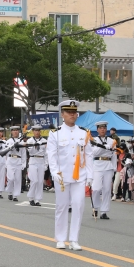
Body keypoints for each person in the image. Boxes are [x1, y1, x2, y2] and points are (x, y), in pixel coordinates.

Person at [46, 99, 92, 250]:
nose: (72, 115)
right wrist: (54, 172)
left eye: (74, 112)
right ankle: (60, 238)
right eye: (69, 112)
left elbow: (89, 155)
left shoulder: (84, 132)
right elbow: (51, 155)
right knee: (62, 206)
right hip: (62, 175)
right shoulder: (55, 133)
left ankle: (74, 239)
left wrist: (90, 175)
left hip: (79, 175)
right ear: (62, 114)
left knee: (78, 205)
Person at [89, 121, 116, 219]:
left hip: (108, 165)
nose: (103, 130)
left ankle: (104, 211)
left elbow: (113, 154)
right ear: (97, 130)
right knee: (96, 188)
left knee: (107, 189)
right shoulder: (93, 140)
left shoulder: (111, 141)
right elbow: (94, 153)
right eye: (100, 128)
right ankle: (95, 208)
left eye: (104, 128)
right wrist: (104, 147)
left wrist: (114, 168)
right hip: (97, 165)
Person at [25, 125, 47, 207]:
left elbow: (46, 154)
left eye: (38, 130)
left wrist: (46, 164)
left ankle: (38, 199)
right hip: (33, 160)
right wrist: (35, 144)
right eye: (35, 130)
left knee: (40, 181)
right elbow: (30, 151)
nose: (37, 132)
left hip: (41, 160)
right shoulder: (30, 140)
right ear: (33, 131)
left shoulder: (44, 141)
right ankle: (31, 198)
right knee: (34, 180)